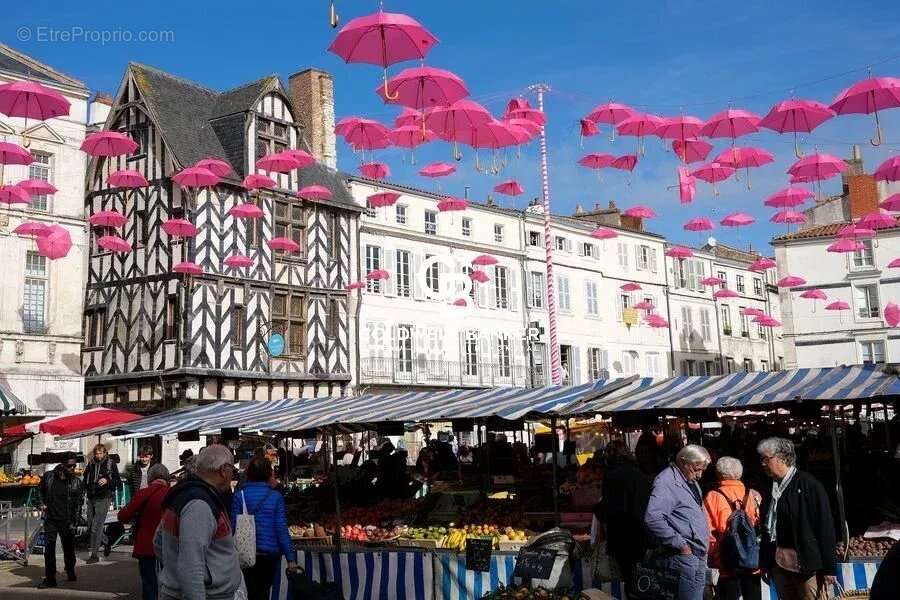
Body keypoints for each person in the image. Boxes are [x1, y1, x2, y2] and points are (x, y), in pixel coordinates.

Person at [154, 444, 242, 600]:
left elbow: (158, 541)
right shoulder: (199, 504)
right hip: (207, 595)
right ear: (224, 470)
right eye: (232, 471)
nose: (232, 476)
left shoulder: (184, 494)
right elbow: (191, 565)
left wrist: (173, 569)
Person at [757, 437, 836, 600]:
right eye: (762, 459)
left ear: (782, 458)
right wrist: (765, 562)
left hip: (805, 566)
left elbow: (825, 527)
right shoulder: (770, 487)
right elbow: (766, 528)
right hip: (779, 565)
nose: (763, 463)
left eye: (766, 458)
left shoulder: (809, 485)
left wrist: (829, 568)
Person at [644, 444, 711, 600]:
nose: (700, 475)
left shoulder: (689, 480)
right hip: (683, 556)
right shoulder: (666, 482)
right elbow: (653, 518)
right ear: (683, 462)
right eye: (696, 469)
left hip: (697, 553)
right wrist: (681, 545)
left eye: (702, 470)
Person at [231, 457, 298, 600]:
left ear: (248, 474)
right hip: (269, 554)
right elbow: (281, 528)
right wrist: (290, 558)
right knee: (264, 591)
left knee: (248, 591)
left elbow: (233, 527)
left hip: (245, 554)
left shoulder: (239, 496)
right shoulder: (276, 497)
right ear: (269, 474)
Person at [705, 456, 763, 600]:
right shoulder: (754, 495)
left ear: (718, 473)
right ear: (740, 473)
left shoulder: (712, 496)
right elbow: (761, 527)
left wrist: (715, 557)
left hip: (726, 561)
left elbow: (708, 532)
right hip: (752, 560)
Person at [598, 440, 652, 586]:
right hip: (636, 530)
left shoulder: (609, 475)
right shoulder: (636, 473)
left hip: (617, 531)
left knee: (625, 575)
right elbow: (644, 502)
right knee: (640, 575)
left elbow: (606, 504)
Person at [118, 464, 172, 600]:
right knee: (170, 584)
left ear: (150, 477)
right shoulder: (174, 493)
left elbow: (123, 515)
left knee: (149, 583)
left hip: (147, 545)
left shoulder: (143, 493)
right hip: (170, 546)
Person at [38, 454, 84, 588]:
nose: (73, 468)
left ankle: (70, 570)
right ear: (62, 465)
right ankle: (50, 579)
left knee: (69, 549)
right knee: (49, 550)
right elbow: (39, 492)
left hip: (67, 520)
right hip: (51, 519)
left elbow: (78, 505)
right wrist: (41, 504)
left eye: (74, 465)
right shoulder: (48, 477)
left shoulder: (76, 482)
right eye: (70, 466)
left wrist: (75, 523)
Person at [83, 443, 121, 563]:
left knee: (96, 526)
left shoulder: (110, 464)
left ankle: (94, 555)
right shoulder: (91, 464)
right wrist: (84, 491)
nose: (98, 455)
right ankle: (106, 541)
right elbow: (85, 478)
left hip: (104, 498)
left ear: (105, 453)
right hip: (91, 497)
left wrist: (107, 480)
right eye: (96, 453)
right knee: (90, 527)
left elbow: (118, 482)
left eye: (100, 453)